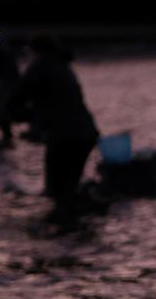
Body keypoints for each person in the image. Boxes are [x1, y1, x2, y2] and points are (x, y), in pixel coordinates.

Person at [6, 34, 100, 222]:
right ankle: (74, 219)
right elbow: (48, 102)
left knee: (56, 188)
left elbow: (17, 98)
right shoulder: (62, 65)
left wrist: (8, 112)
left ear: (36, 51)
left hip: (65, 136)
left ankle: (64, 223)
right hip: (85, 134)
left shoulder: (41, 67)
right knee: (68, 185)